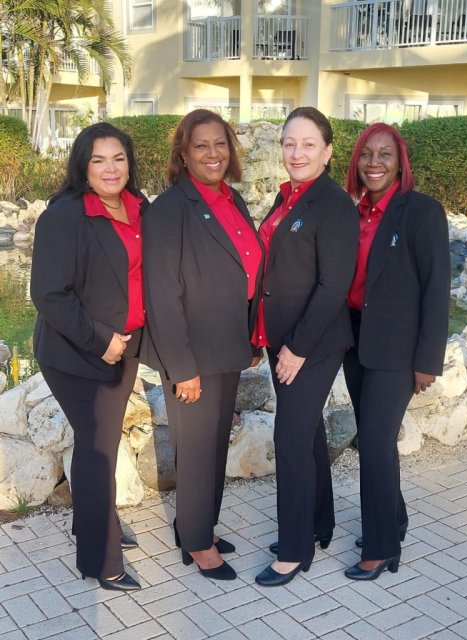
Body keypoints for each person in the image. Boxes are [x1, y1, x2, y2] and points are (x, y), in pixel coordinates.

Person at [141, 109, 263, 581]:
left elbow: (248, 272)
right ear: (183, 154)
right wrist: (181, 367)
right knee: (194, 449)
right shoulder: (171, 209)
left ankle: (198, 525)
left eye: (220, 144)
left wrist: (253, 336)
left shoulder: (233, 200)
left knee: (212, 445)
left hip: (230, 345)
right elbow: (163, 294)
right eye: (201, 146)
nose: (213, 154)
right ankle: (196, 544)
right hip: (191, 353)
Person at [30, 122, 148, 591]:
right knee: (98, 448)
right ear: (82, 164)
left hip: (126, 349)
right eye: (98, 159)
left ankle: (93, 524)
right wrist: (102, 340)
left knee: (98, 443)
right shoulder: (65, 216)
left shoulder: (140, 209)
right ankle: (102, 560)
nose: (109, 168)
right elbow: (49, 295)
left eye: (118, 157)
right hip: (77, 353)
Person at [253, 107, 359, 587]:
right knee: (308, 432)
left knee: (290, 440)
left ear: (328, 151)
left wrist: (295, 347)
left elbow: (333, 284)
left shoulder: (333, 204)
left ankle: (294, 551)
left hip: (311, 344)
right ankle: (318, 524)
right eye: (289, 143)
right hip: (283, 340)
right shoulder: (288, 198)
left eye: (308, 144)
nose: (296, 153)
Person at [343, 122, 451, 581]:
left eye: (385, 154)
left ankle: (382, 545)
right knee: (376, 437)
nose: (374, 163)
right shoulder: (356, 212)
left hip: (397, 348)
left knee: (373, 441)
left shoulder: (422, 212)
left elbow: (436, 290)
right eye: (367, 154)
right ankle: (396, 518)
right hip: (355, 341)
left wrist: (428, 362)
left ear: (400, 161)